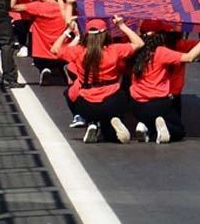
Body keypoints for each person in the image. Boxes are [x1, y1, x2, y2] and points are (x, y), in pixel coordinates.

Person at [52, 16, 144, 144]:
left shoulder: (79, 51)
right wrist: (121, 25)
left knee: (71, 93)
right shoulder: (114, 50)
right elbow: (139, 43)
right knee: (111, 133)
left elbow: (55, 49)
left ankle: (92, 123)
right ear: (106, 34)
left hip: (86, 103)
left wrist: (67, 31)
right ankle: (113, 119)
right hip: (112, 100)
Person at [129, 25, 200, 142]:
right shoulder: (161, 52)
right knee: (178, 130)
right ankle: (159, 127)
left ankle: (145, 124)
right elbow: (190, 57)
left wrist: (122, 25)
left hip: (136, 104)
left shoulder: (134, 51)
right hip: (159, 101)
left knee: (151, 114)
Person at [11, 0, 69, 86]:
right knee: (62, 63)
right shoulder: (64, 8)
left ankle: (45, 69)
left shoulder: (37, 7)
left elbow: (13, 7)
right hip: (61, 50)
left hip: (42, 53)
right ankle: (63, 69)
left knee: (41, 61)